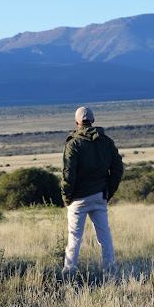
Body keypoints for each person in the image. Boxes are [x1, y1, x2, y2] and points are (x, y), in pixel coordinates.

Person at [61, 106, 123, 275]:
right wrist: (108, 192)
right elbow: (117, 169)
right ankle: (110, 271)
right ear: (93, 121)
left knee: (74, 237)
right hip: (99, 196)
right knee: (105, 236)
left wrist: (66, 197)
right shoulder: (106, 141)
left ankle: (69, 273)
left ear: (77, 122)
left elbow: (68, 174)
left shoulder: (73, 144)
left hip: (77, 199)